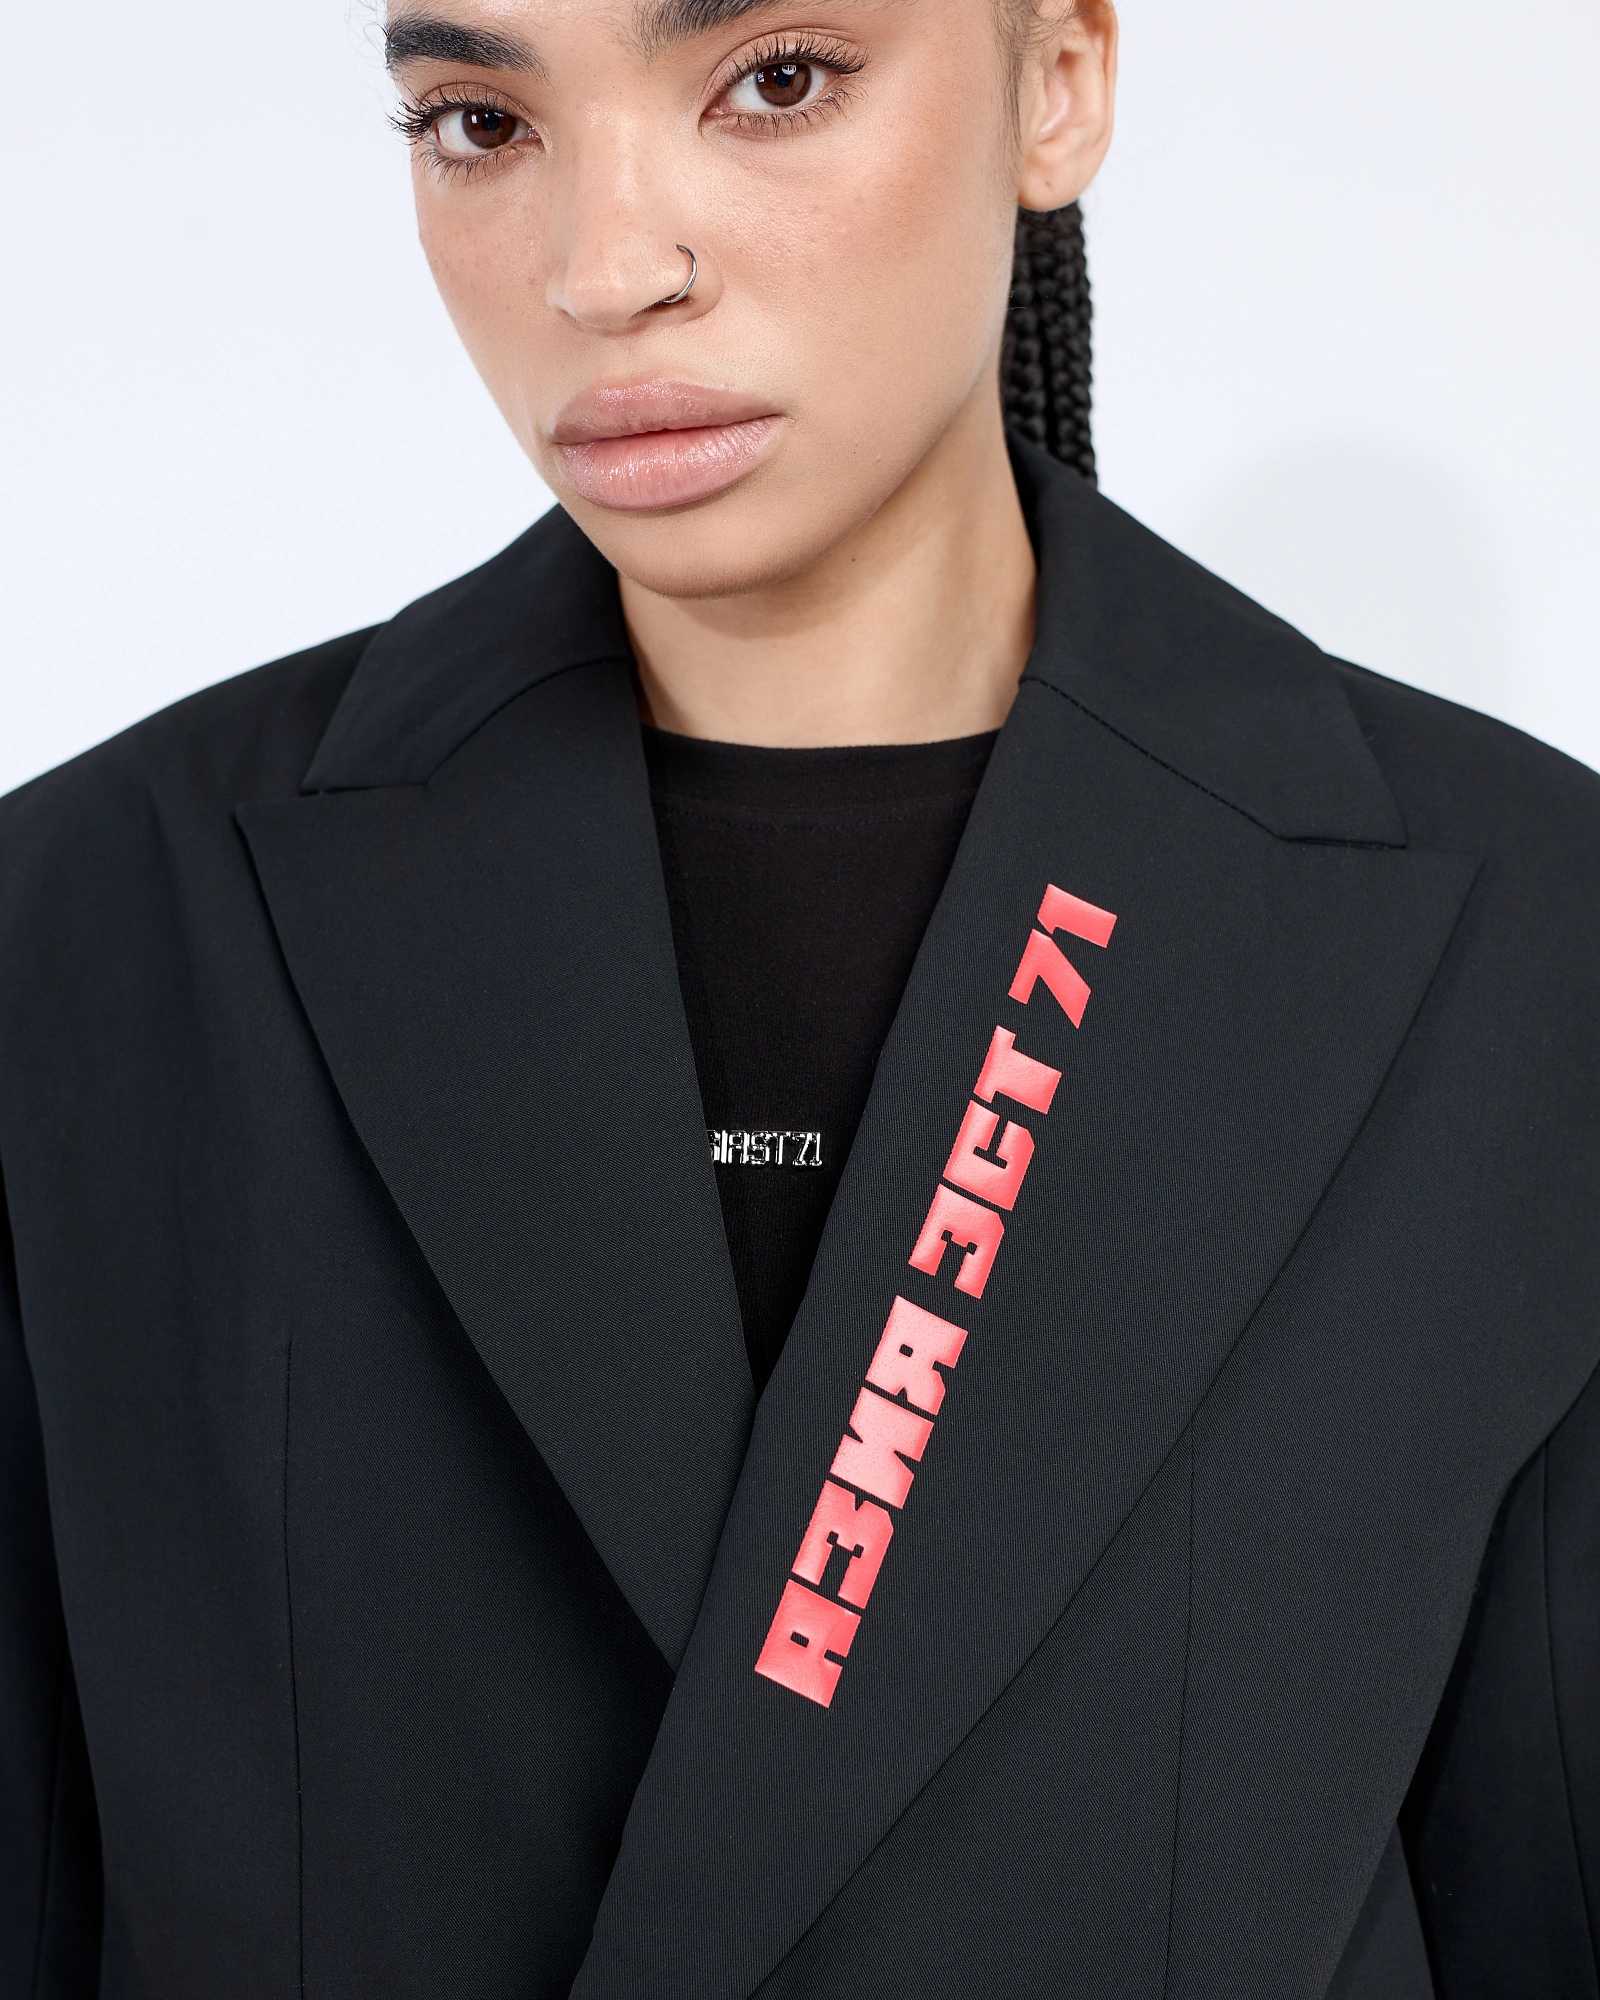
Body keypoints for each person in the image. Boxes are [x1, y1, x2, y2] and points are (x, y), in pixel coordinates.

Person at [2, 0, 1596, 1993]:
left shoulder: (1536, 949)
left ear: (1060, 80)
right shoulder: (85, 935)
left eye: (773, 80)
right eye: (481, 121)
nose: (602, 267)